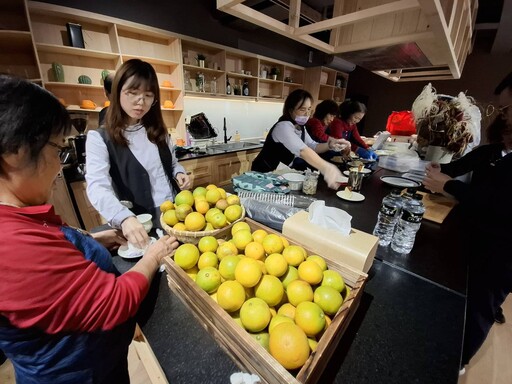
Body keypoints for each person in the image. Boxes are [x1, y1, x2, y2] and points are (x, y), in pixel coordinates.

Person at [0, 74, 179, 383]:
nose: (59, 166)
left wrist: (93, 238)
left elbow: (51, 251)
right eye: (58, 150)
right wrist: (153, 255)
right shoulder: (10, 245)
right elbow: (113, 303)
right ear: (15, 152)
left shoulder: (17, 219)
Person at [423, 71, 512, 374]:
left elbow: (498, 204)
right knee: (461, 295)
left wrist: (448, 185)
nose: (501, 117)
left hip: (502, 253)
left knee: (480, 308)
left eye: (507, 110)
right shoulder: (497, 150)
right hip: (474, 236)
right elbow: (463, 166)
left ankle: (456, 363)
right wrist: (439, 168)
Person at [86, 59, 191, 249]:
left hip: (176, 214)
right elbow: (97, 187)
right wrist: (124, 218)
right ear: (117, 92)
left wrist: (179, 173)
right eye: (132, 93)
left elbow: (172, 163)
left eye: (148, 95)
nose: (141, 101)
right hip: (140, 222)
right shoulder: (99, 138)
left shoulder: (158, 131)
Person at [251, 89, 349, 189]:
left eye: (309, 109)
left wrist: (329, 145)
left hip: (278, 173)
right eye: (302, 109)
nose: (307, 114)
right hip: (264, 173)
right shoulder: (283, 127)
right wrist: (327, 168)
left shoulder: (300, 127)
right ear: (290, 110)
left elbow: (313, 146)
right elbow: (303, 151)